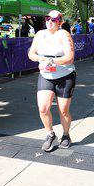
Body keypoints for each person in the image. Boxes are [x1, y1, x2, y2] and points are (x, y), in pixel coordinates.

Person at [27, 10, 76, 152]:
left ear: (60, 22)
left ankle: (66, 135)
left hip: (65, 75)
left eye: (54, 19)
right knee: (43, 108)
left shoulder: (64, 35)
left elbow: (70, 57)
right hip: (46, 75)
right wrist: (40, 58)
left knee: (63, 110)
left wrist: (51, 61)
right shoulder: (39, 34)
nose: (49, 21)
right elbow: (31, 53)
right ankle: (50, 134)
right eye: (47, 18)